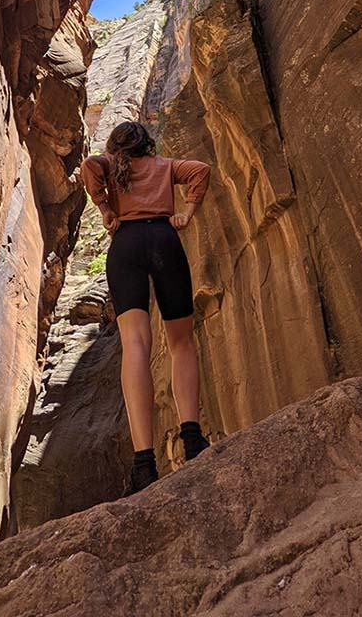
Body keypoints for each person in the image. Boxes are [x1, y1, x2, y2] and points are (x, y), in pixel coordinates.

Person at [79, 120, 212, 495]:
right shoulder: (165, 166)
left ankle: (143, 466)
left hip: (126, 245)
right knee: (181, 341)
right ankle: (192, 439)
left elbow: (90, 166)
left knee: (135, 345)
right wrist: (187, 212)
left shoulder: (111, 166)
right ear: (148, 146)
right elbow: (200, 171)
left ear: (117, 148)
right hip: (163, 239)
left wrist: (106, 207)